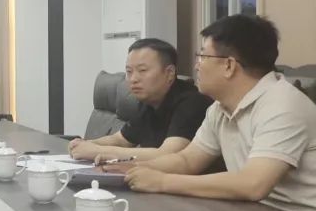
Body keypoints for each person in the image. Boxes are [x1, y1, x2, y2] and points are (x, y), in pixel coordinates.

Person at [112, 15, 316, 211]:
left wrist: (163, 181)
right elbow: (187, 160)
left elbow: (253, 183)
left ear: (229, 65)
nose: (196, 66)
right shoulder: (219, 109)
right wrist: (133, 169)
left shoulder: (282, 104)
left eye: (202, 56)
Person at [69, 38, 212, 163]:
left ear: (169, 73)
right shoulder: (149, 102)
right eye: (129, 72)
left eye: (142, 70)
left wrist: (97, 151)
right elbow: (121, 140)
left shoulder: (192, 103)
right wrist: (86, 144)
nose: (133, 79)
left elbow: (167, 155)